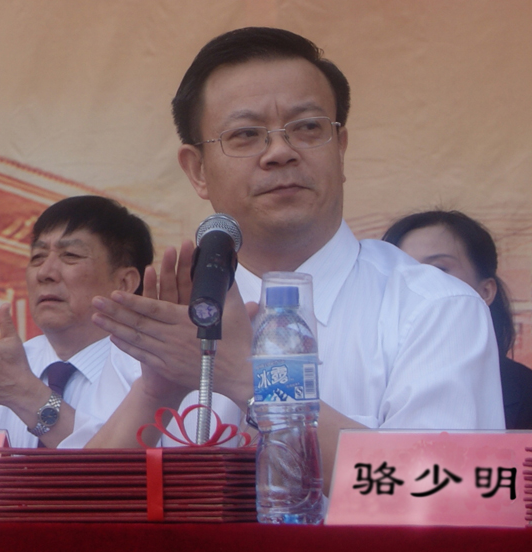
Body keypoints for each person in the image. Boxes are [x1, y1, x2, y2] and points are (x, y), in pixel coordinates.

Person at [79, 27, 505, 492]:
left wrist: (250, 380)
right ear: (197, 170)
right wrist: (154, 391)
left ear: (340, 148)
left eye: (307, 128)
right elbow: (78, 505)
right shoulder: (164, 321)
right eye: (245, 134)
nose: (280, 152)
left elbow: (448, 492)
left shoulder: (435, 308)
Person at [0, 195, 152, 447]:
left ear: (124, 283)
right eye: (37, 257)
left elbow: (131, 467)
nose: (45, 273)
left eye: (70, 255)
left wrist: (23, 393)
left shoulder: (151, 374)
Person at [382, 209, 532, 429]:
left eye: (438, 269)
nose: (418, 285)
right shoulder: (368, 376)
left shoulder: (526, 391)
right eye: (404, 272)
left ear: (485, 291)